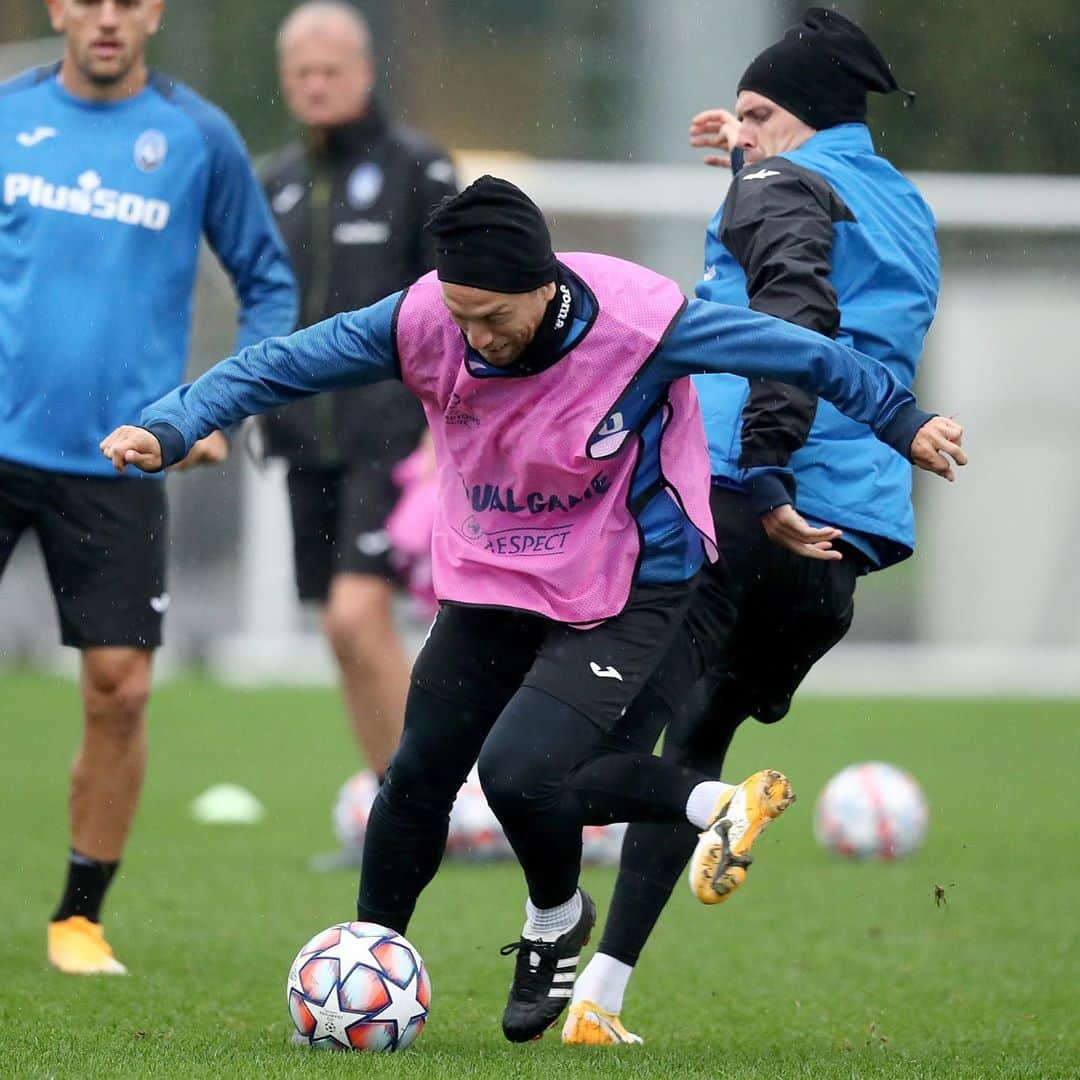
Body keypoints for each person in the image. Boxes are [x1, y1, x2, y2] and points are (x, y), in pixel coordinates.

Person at [99, 175, 963, 1041]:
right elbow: (279, 364)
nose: (474, 338)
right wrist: (172, 424)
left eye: (493, 317)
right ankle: (371, 961)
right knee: (415, 779)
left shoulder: (640, 326)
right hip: (495, 570)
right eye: (459, 315)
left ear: (544, 284)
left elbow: (799, 351)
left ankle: (555, 920)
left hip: (630, 581)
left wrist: (901, 418)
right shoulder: (421, 319)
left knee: (521, 772)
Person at [564, 8, 942, 1045]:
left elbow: (793, 312)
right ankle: (601, 1001)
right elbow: (813, 238)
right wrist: (747, 146)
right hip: (842, 546)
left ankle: (558, 945)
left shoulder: (779, 184)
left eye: (755, 112)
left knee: (580, 741)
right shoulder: (901, 202)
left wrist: (768, 469)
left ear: (799, 118)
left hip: (744, 497)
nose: (740, 133)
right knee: (697, 740)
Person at [0, 0, 297, 974]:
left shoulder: (196, 136)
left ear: (154, 13)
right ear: (59, 10)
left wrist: (209, 411)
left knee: (118, 691)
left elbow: (270, 288)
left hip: (120, 456)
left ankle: (78, 918)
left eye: (128, 0)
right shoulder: (9, 115)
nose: (107, 18)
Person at [260, 1, 457, 791]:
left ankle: (441, 798)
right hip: (304, 440)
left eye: (329, 70)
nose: (315, 85)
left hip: (392, 436)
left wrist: (442, 427)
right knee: (341, 635)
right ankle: (397, 806)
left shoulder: (419, 168)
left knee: (357, 616)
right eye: (301, 73)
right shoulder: (271, 181)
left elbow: (457, 304)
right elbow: (261, 308)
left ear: (364, 70)